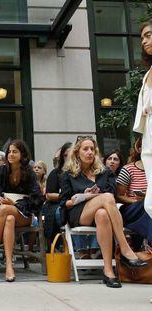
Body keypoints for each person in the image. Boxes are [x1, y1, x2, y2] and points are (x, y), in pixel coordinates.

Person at [60, 136, 147, 288]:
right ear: (77, 152)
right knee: (105, 197)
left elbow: (113, 196)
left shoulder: (105, 172)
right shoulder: (68, 173)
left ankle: (108, 272)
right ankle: (125, 248)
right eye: (85, 149)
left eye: (92, 149)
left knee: (102, 214)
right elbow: (64, 202)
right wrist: (84, 196)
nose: (90, 152)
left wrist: (96, 197)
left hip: (101, 211)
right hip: (79, 213)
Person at [0, 140, 44, 282]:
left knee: (4, 209)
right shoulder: (2, 170)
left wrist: (13, 203)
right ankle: (9, 265)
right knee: (9, 219)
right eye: (9, 151)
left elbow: (38, 199)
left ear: (22, 154)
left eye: (15, 151)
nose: (11, 154)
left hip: (25, 214)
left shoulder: (29, 172)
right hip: (8, 216)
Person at [117, 137, 152, 247]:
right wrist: (134, 200)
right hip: (132, 208)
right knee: (145, 205)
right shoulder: (128, 169)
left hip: (147, 210)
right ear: (140, 149)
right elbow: (118, 196)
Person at [133, 19, 152, 220]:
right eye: (142, 38)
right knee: (150, 203)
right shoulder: (147, 73)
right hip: (149, 135)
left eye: (148, 35)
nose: (144, 41)